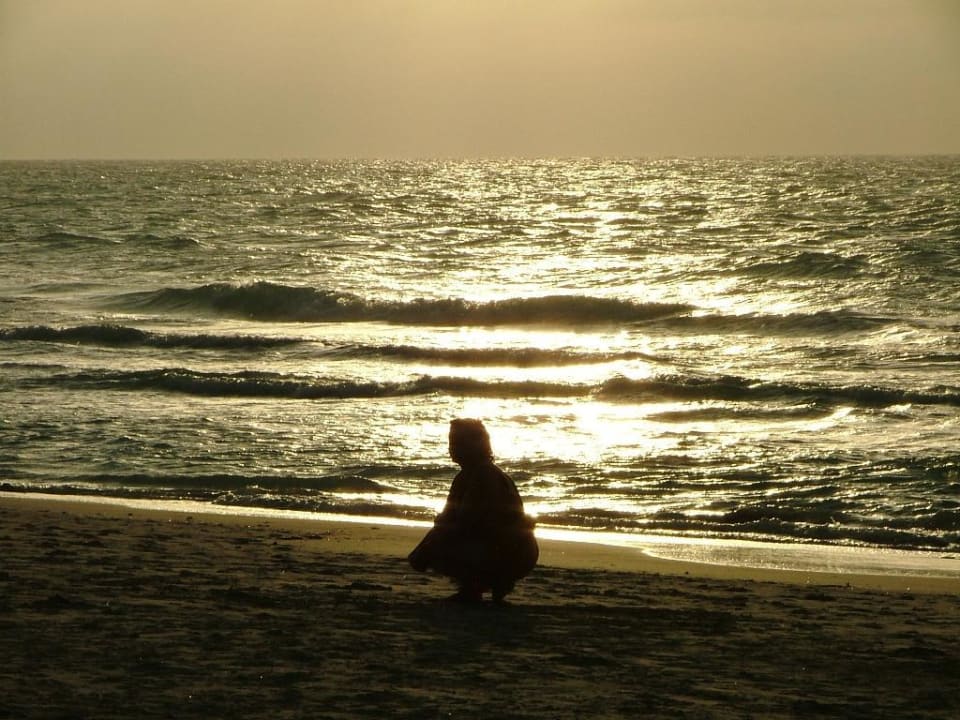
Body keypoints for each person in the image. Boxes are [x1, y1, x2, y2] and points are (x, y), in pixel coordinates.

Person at [408, 418, 539, 602]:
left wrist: (426, 549)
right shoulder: (478, 474)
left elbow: (466, 522)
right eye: (451, 442)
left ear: (475, 445)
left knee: (444, 540)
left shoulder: (481, 476)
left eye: (457, 443)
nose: (452, 448)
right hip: (521, 549)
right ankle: (490, 585)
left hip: (509, 551)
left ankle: (474, 587)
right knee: (442, 537)